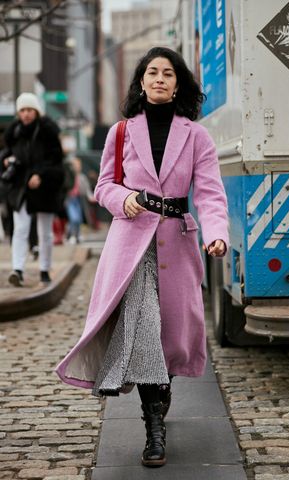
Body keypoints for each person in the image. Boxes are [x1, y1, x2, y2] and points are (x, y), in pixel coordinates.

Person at [55, 47, 229, 467]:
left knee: (172, 335)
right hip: (132, 246)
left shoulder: (196, 135)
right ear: (142, 81)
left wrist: (217, 234)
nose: (159, 79)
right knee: (147, 329)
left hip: (177, 240)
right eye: (152, 72)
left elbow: (208, 192)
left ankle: (161, 392)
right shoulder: (120, 132)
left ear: (177, 84)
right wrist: (126, 197)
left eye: (168, 73)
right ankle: (154, 430)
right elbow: (103, 187)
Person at [0, 92, 64, 286]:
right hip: (21, 187)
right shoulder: (14, 133)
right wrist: (5, 160)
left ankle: (45, 269)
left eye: (29, 110)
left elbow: (56, 159)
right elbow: (8, 152)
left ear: (36, 111)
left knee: (45, 231)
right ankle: (17, 269)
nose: (26, 114)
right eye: (22, 110)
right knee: (20, 229)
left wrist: (41, 175)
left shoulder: (48, 131)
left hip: (44, 188)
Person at [65, 157, 95, 244]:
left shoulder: (82, 177)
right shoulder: (69, 176)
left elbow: (87, 189)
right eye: (75, 165)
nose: (77, 167)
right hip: (70, 199)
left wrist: (91, 197)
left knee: (78, 219)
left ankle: (77, 235)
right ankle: (72, 235)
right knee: (73, 218)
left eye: (79, 165)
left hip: (78, 199)